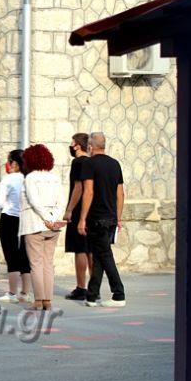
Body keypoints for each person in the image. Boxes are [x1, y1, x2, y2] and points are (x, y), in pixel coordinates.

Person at [77, 132, 126, 308]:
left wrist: (82, 219)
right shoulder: (115, 164)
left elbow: (88, 192)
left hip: (96, 217)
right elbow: (120, 193)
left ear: (90, 146)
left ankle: (118, 293)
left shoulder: (89, 164)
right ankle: (92, 295)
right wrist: (118, 217)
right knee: (98, 255)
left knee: (104, 255)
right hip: (110, 217)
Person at [18, 144, 66, 311]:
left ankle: (38, 300)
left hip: (34, 224)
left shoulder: (30, 178)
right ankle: (47, 300)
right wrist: (52, 219)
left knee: (36, 263)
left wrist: (46, 218)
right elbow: (61, 201)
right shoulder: (55, 177)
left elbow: (34, 200)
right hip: (53, 226)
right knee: (48, 263)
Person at [0, 149, 32, 304]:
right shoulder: (28, 178)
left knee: (11, 256)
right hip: (25, 219)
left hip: (9, 218)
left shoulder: (8, 179)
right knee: (24, 256)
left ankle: (12, 292)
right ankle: (25, 292)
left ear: (14, 163)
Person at [63, 133, 93, 301]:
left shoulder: (78, 162)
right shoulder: (92, 162)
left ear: (77, 145)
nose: (71, 146)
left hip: (79, 209)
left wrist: (69, 209)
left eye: (72, 142)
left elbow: (78, 187)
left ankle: (81, 287)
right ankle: (93, 286)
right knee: (90, 249)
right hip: (91, 210)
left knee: (80, 249)